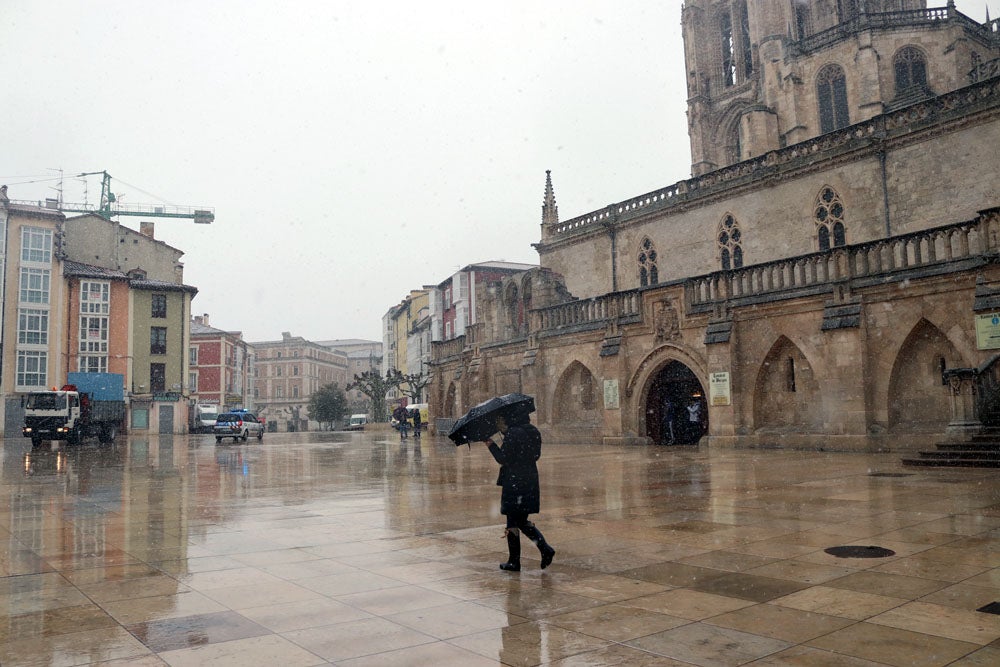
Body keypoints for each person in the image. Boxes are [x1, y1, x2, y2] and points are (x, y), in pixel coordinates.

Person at [481, 408, 555, 572]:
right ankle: (538, 551)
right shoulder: (533, 431)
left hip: (515, 481)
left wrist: (491, 445)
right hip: (529, 479)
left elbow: (503, 459)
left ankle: (520, 559)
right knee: (519, 520)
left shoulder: (514, 433)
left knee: (514, 521)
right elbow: (535, 455)